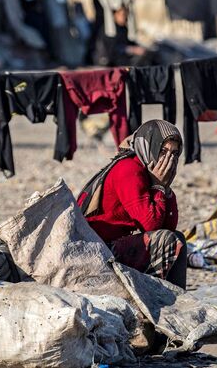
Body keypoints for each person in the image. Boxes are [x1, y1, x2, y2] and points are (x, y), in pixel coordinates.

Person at [77, 119, 187, 288]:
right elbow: (151, 225)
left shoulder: (146, 170)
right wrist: (159, 187)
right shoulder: (129, 169)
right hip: (97, 253)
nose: (168, 160)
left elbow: (169, 225)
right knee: (166, 240)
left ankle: (178, 297)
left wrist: (166, 190)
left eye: (174, 154)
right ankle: (157, 298)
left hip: (114, 245)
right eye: (163, 151)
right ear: (150, 146)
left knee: (177, 238)